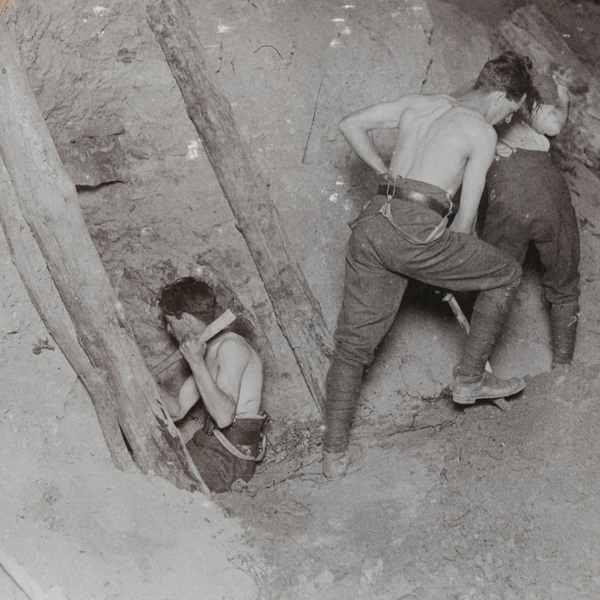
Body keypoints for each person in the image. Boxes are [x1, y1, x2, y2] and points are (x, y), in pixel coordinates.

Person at [324, 51, 538, 479]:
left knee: (353, 347)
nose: (502, 122)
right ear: (498, 97)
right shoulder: (480, 131)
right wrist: (451, 268)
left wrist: (385, 171)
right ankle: (470, 379)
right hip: (417, 231)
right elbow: (462, 225)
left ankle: (333, 457)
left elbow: (350, 122)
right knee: (507, 274)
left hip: (372, 223)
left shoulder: (422, 103)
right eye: (508, 113)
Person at [481, 73, 580, 368]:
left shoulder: (478, 96)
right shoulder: (531, 86)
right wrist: (563, 95)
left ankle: (473, 372)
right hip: (545, 184)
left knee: (494, 279)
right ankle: (563, 369)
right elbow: (554, 124)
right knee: (564, 282)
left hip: (505, 183)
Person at [157, 277, 268, 493]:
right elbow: (178, 411)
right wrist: (146, 381)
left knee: (165, 483)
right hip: (209, 444)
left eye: (170, 322)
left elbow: (224, 416)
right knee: (158, 466)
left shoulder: (231, 346)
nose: (169, 330)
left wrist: (197, 363)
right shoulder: (207, 349)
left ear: (186, 319)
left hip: (230, 456)